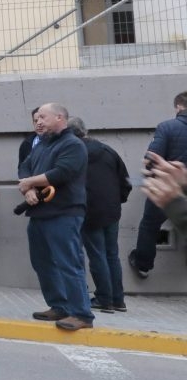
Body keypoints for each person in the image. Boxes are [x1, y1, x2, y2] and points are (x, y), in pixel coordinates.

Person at [17, 102, 93, 332]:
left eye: (43, 117)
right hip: (40, 214)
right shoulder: (40, 146)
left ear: (60, 118)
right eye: (37, 118)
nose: (38, 121)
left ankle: (81, 314)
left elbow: (62, 173)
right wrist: (28, 189)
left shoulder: (73, 145)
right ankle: (59, 305)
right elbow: (25, 168)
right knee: (42, 263)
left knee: (69, 263)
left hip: (64, 213)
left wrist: (30, 182)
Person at [70, 117, 131, 315]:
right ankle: (118, 299)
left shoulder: (74, 154)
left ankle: (105, 299)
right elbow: (126, 182)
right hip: (112, 210)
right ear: (85, 130)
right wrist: (117, 200)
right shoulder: (108, 151)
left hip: (88, 210)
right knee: (112, 254)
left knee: (97, 255)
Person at [127, 92, 187, 280]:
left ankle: (143, 264)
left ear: (178, 106)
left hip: (167, 185)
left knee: (150, 224)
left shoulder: (167, 127)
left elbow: (151, 158)